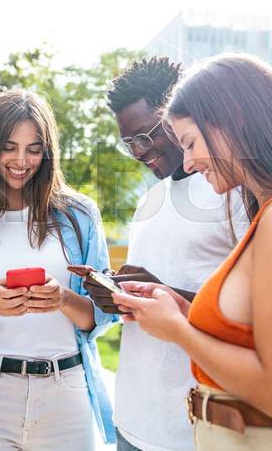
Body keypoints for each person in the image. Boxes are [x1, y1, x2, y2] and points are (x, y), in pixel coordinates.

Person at [113, 53, 272, 450]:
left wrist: (178, 330)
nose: (190, 162)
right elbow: (255, 332)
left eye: (191, 142)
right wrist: (179, 308)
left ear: (233, 122)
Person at [0, 89, 118, 451]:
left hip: (66, 391)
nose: (21, 160)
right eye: (9, 147)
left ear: (47, 153)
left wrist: (62, 298)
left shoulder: (79, 215)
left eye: (33, 149)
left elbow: (103, 315)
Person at [78, 56, 247, 451]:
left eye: (147, 134)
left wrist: (164, 294)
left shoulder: (233, 194)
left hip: (193, 431)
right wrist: (118, 293)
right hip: (133, 421)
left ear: (178, 115)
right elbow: (148, 303)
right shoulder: (150, 200)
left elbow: (251, 317)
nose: (139, 151)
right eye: (129, 142)